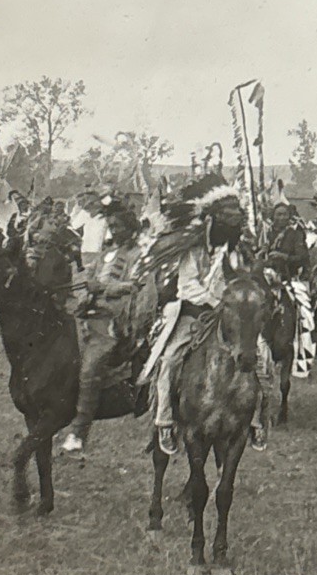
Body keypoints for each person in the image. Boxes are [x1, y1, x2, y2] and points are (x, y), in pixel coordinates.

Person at [139, 182, 255, 456]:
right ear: (213, 219)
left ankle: (257, 419)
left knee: (259, 355)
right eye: (227, 215)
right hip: (192, 313)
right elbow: (188, 285)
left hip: (230, 315)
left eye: (236, 215)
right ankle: (165, 420)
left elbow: (241, 279)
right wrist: (217, 303)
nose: (233, 220)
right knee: (169, 359)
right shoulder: (192, 249)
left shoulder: (235, 251)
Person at [61, 205, 145, 453]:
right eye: (112, 226)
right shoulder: (106, 252)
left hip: (117, 316)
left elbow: (135, 285)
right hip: (90, 311)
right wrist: (87, 288)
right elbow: (91, 275)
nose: (114, 231)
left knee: (91, 366)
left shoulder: (139, 255)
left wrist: (104, 288)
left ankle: (79, 431)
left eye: (119, 226)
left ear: (131, 229)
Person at [263, 201, 317, 377]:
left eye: (285, 214)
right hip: (265, 279)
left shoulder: (295, 235)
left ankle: (302, 350)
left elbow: (302, 257)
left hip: (289, 279)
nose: (282, 218)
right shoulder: (266, 233)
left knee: (305, 312)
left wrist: (283, 256)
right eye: (278, 214)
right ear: (273, 216)